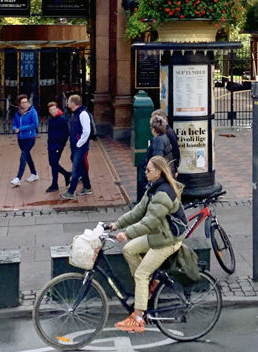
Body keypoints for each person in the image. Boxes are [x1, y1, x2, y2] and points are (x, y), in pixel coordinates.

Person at [109, 155, 185, 334]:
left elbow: (149, 222)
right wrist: (117, 224)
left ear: (158, 172)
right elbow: (138, 211)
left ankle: (137, 318)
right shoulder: (153, 188)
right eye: (146, 169)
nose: (145, 172)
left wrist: (127, 233)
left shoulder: (163, 194)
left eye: (148, 170)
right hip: (158, 235)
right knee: (129, 249)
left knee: (141, 274)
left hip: (168, 240)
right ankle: (146, 288)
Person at [61, 94, 93, 199]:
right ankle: (87, 187)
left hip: (80, 146)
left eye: (69, 101)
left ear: (74, 103)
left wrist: (79, 143)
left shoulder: (83, 114)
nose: (67, 103)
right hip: (75, 145)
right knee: (82, 166)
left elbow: (86, 131)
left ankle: (71, 191)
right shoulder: (75, 113)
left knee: (75, 169)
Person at [10, 95, 39, 187]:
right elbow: (14, 123)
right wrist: (14, 128)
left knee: (23, 156)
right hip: (20, 138)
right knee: (27, 156)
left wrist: (21, 129)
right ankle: (34, 174)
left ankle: (18, 178)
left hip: (30, 137)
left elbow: (35, 124)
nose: (24, 104)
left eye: (26, 102)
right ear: (19, 104)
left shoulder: (32, 112)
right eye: (22, 102)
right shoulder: (17, 113)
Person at [44, 100, 71, 193]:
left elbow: (66, 133)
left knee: (54, 163)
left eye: (54, 109)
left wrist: (61, 145)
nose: (53, 111)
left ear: (57, 109)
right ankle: (66, 174)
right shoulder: (51, 119)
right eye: (51, 110)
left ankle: (54, 184)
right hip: (51, 144)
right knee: (52, 163)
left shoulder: (62, 119)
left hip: (58, 145)